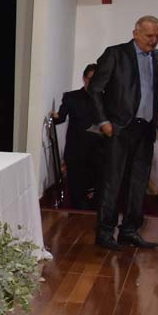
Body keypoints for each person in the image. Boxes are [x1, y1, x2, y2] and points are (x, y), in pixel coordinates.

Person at [88, 15, 158, 249]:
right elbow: (95, 89)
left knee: (138, 183)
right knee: (112, 182)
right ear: (135, 33)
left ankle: (129, 230)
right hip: (118, 127)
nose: (154, 40)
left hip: (145, 128)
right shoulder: (116, 54)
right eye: (149, 35)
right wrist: (103, 121)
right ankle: (105, 233)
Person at [51, 64, 103, 210]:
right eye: (91, 79)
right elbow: (61, 117)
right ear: (84, 79)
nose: (94, 83)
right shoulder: (71, 97)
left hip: (99, 152)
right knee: (77, 195)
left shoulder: (105, 98)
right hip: (76, 151)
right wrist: (55, 116)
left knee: (98, 195)